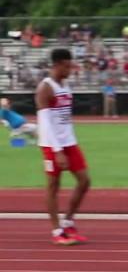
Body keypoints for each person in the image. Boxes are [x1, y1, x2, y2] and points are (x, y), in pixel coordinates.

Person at [35, 48, 90, 245]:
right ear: (57, 65)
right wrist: (57, 150)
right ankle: (57, 230)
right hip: (52, 144)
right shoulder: (45, 88)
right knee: (53, 186)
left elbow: (65, 118)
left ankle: (68, 221)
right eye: (67, 66)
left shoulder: (66, 85)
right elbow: (46, 122)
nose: (70, 69)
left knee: (84, 181)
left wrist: (70, 141)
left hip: (69, 141)